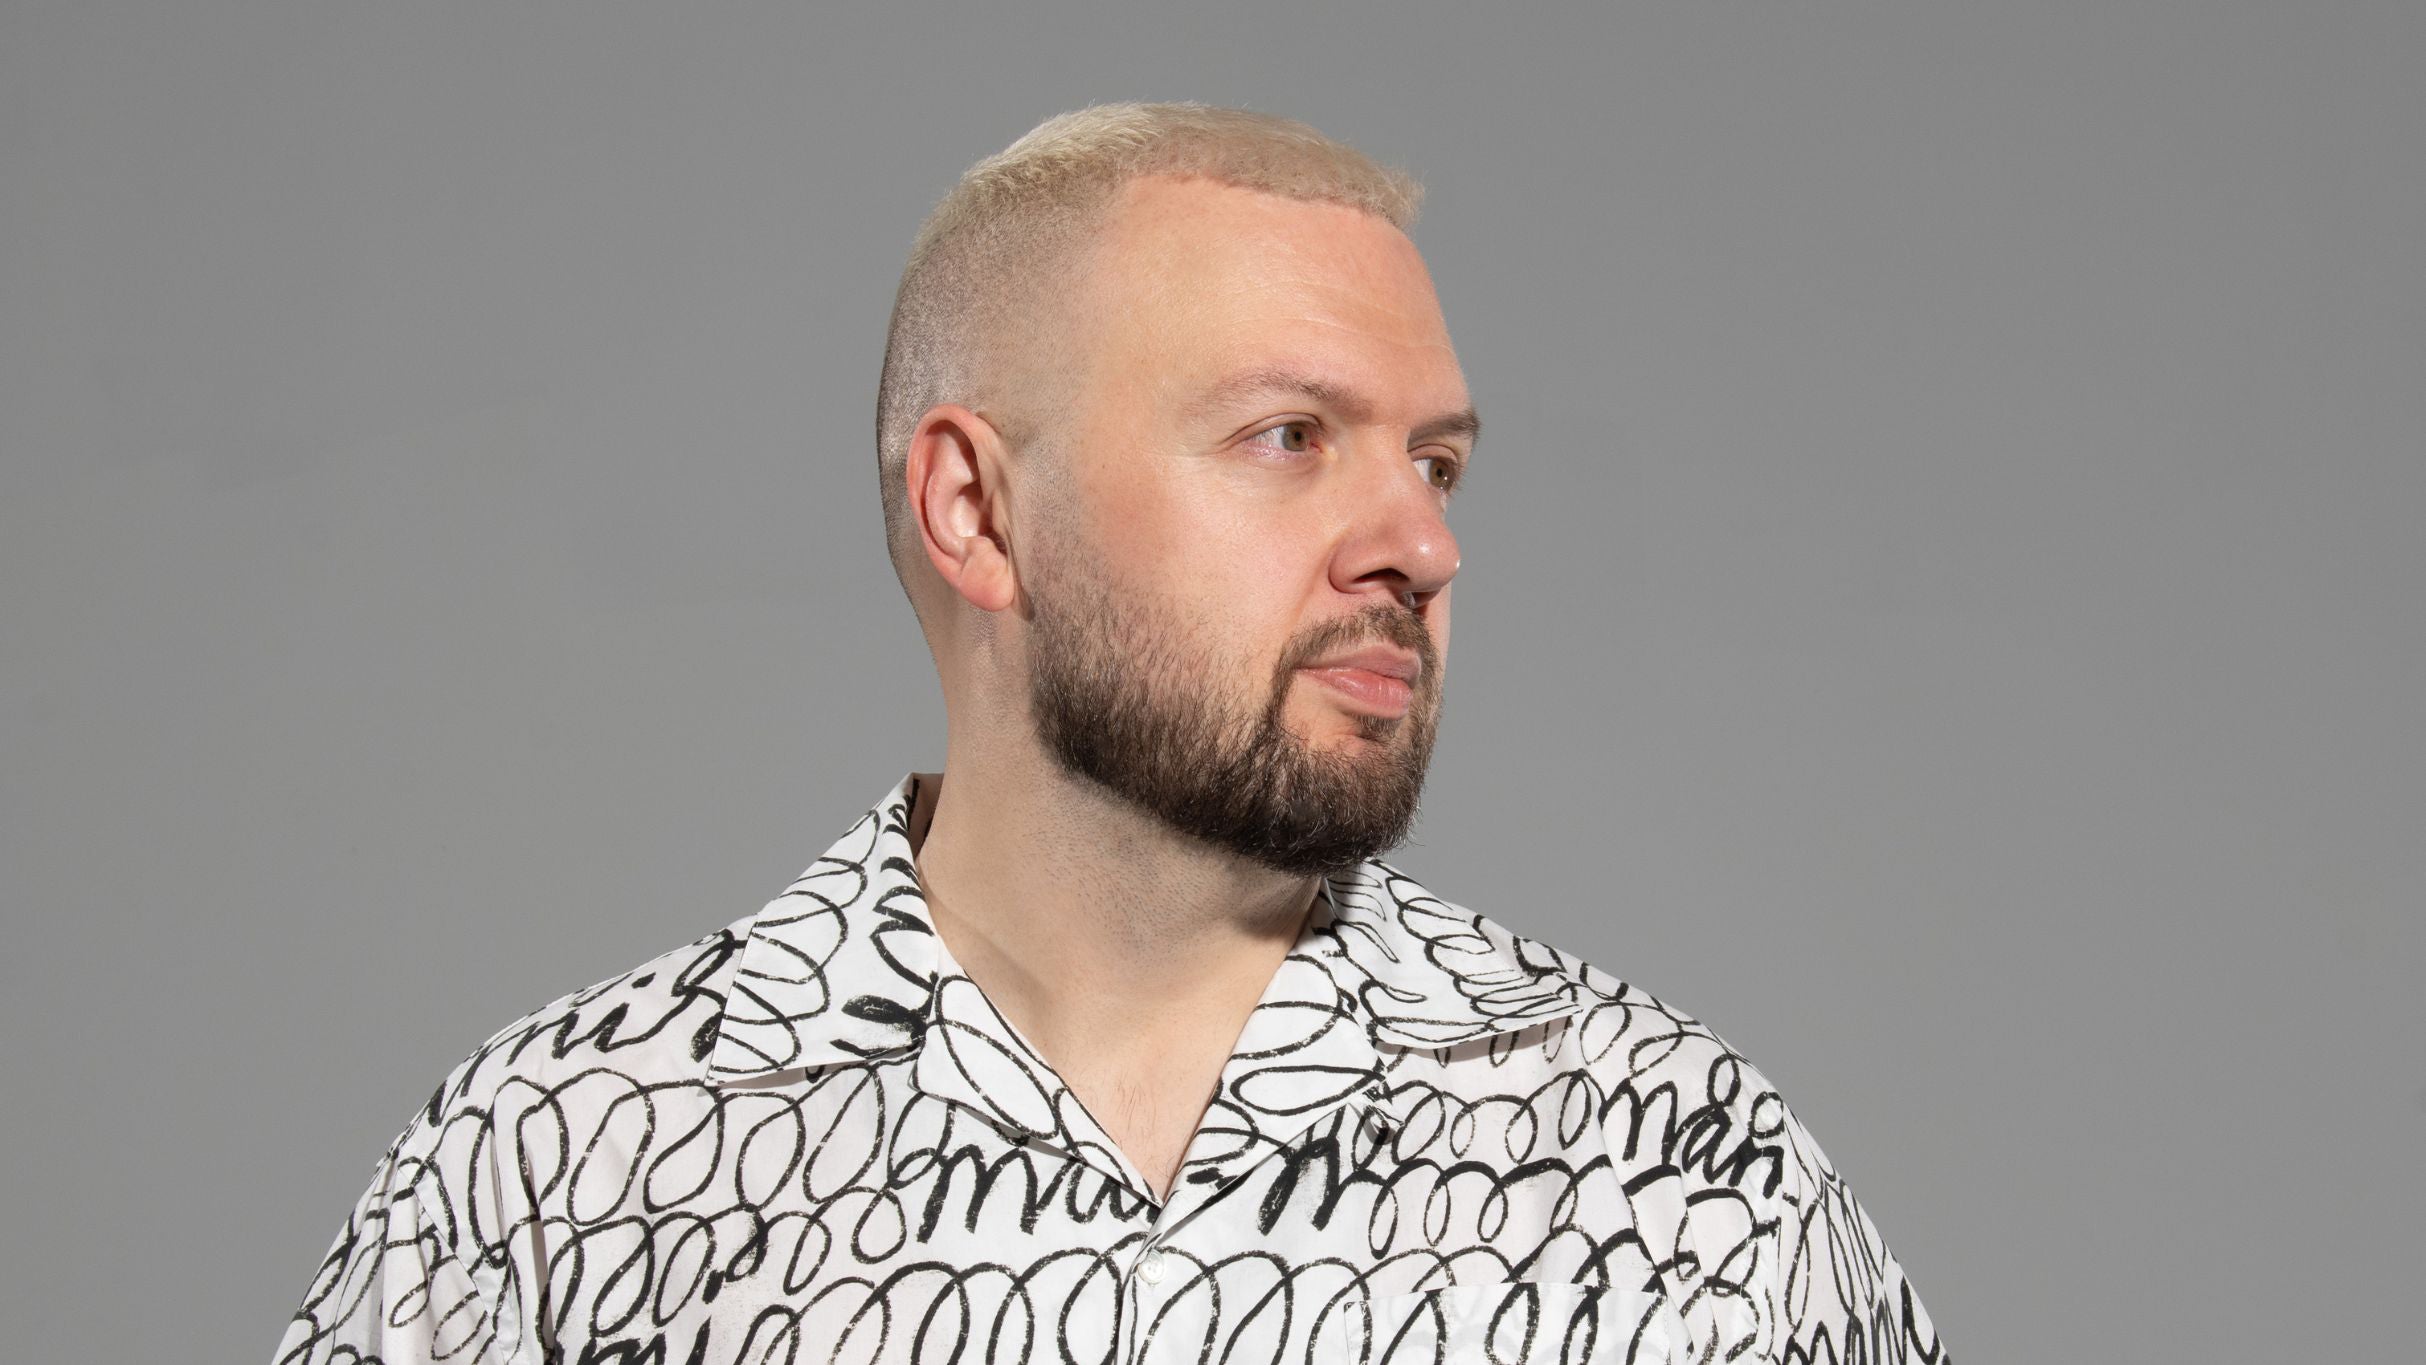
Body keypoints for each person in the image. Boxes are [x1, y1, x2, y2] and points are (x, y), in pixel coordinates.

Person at [275, 102, 1949, 1365]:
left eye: (1434, 463)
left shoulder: (1677, 1166)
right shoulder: (562, 1168)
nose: (1420, 545)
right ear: (975, 508)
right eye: (1290, 436)